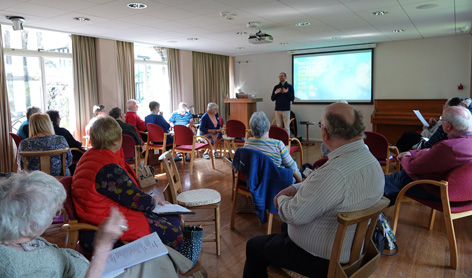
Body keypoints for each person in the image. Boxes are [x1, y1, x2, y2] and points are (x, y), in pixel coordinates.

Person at [243, 103, 384, 278]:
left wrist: (280, 199)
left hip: (324, 259)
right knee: (284, 231)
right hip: (354, 248)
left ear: (324, 133)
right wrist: (295, 187)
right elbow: (325, 186)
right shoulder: (371, 161)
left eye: (321, 125)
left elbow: (292, 213)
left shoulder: (334, 173)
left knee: (254, 246)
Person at [0, 171, 197, 278]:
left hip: (87, 265)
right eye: (53, 213)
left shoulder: (13, 237)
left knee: (155, 253)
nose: (56, 216)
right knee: (156, 261)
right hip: (93, 271)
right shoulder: (14, 267)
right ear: (29, 226)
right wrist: (103, 245)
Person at [72, 116, 182, 253]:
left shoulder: (88, 157)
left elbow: (125, 193)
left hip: (99, 216)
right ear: (116, 141)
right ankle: (179, 265)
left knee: (171, 218)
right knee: (173, 230)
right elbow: (135, 200)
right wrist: (152, 201)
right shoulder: (108, 168)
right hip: (108, 223)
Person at [384, 106, 472, 204]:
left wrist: (404, 157)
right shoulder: (461, 142)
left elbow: (412, 167)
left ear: (448, 126)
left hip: (437, 190)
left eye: (442, 119)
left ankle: (376, 216)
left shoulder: (448, 147)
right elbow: (430, 151)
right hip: (464, 194)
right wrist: (412, 152)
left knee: (384, 181)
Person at [244, 111, 301, 179]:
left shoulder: (248, 143)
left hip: (255, 181)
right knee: (296, 173)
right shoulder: (278, 144)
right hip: (276, 182)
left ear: (252, 128)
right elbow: (292, 166)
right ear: (268, 126)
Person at [395, 97, 464, 152]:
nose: (443, 108)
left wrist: (425, 129)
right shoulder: (445, 119)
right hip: (427, 137)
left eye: (444, 106)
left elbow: (432, 137)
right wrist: (435, 123)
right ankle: (396, 150)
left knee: (408, 135)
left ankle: (396, 152)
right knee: (408, 136)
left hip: (427, 140)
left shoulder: (447, 122)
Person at [46, 110, 86, 174]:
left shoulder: (45, 133)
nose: (60, 119)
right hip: (64, 160)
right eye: (59, 118)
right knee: (83, 153)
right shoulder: (62, 131)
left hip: (48, 164)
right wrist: (79, 143)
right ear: (56, 120)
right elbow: (74, 144)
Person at [271, 72, 294, 136]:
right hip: (277, 109)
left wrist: (287, 92)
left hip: (286, 109)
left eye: (282, 76)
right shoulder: (276, 87)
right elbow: (272, 98)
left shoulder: (290, 87)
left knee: (286, 127)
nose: (280, 77)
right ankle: (280, 142)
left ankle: (287, 142)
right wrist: (275, 93)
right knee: (279, 127)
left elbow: (292, 98)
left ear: (286, 77)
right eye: (279, 76)